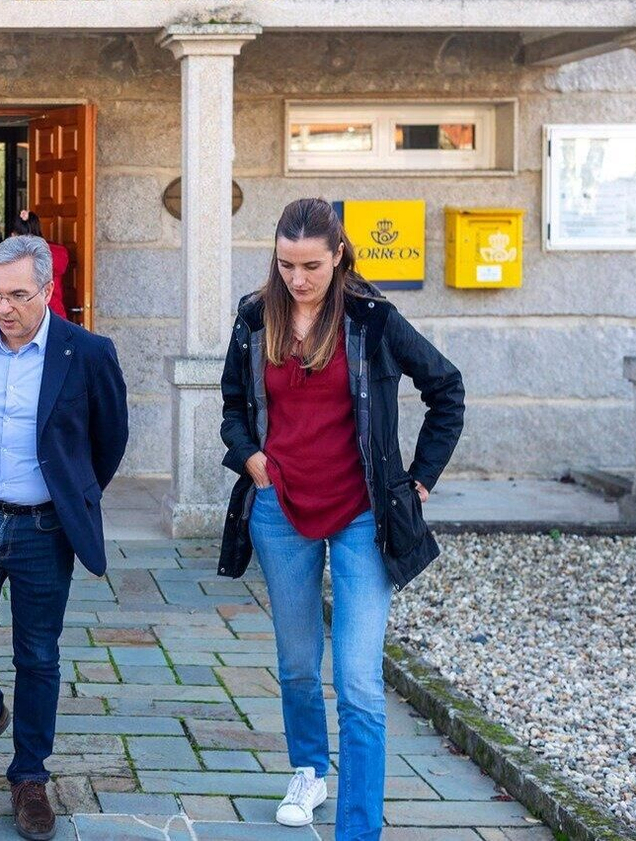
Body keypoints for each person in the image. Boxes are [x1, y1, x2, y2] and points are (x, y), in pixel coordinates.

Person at [217, 198, 465, 838]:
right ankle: (307, 769)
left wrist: (421, 480)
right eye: (286, 264)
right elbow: (233, 406)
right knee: (298, 663)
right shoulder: (254, 316)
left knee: (358, 681)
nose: (298, 279)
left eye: (311, 266)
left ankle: (359, 829)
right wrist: (250, 458)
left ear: (339, 257)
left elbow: (446, 389)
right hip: (279, 511)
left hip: (363, 516)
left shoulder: (371, 320)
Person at [0, 235, 128, 841]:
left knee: (38, 653)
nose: (4, 307)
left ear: (47, 290)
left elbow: (110, 439)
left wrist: (73, 493)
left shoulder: (87, 353)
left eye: (18, 294)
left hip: (44, 526)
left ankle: (29, 776)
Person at [9, 209, 69, 321]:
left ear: (14, 235)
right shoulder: (56, 253)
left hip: (30, 317)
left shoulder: (19, 259)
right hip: (56, 314)